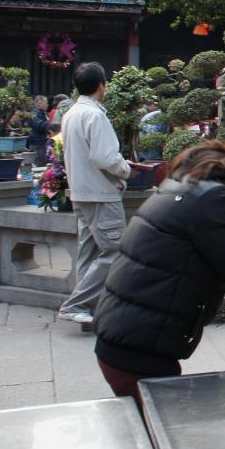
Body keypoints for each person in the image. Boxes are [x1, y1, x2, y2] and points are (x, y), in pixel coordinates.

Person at [94, 142, 225, 401]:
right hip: (136, 348)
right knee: (173, 423)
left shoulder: (197, 185)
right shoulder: (213, 202)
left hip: (128, 335)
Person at [57, 63, 137, 327]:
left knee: (89, 253)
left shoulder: (71, 113)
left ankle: (87, 311)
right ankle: (76, 305)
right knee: (116, 251)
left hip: (81, 191)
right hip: (101, 192)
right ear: (102, 85)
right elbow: (105, 157)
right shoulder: (94, 115)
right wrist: (126, 169)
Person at [28, 95, 50, 167]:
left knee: (41, 163)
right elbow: (39, 126)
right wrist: (50, 124)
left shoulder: (42, 113)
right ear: (40, 103)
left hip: (41, 141)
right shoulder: (35, 113)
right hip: (37, 143)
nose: (47, 105)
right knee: (38, 165)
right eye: (46, 103)